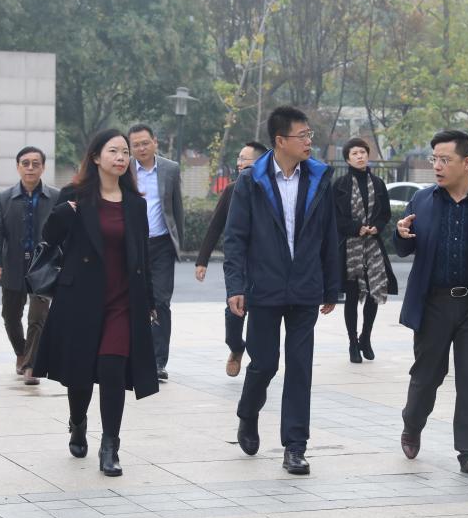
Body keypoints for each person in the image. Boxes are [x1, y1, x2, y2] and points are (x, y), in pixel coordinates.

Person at [33, 129, 159, 476]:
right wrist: (65, 213)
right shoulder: (75, 196)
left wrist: (149, 300)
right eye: (114, 151)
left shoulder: (135, 204)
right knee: (80, 377)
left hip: (122, 302)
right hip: (80, 300)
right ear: (96, 157)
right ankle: (77, 422)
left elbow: (142, 258)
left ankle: (110, 445)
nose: (121, 157)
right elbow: (49, 237)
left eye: (125, 152)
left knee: (112, 369)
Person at [224, 106, 339, 475]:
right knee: (265, 364)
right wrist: (236, 285)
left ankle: (295, 446)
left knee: (300, 367)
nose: (308, 142)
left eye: (309, 135)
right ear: (280, 141)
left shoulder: (319, 178)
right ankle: (248, 413)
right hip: (265, 287)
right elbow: (235, 238)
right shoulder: (251, 182)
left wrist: (332, 287)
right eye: (302, 136)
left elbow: (330, 235)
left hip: (306, 287)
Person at [394, 130, 468, 479]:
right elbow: (404, 247)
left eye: (445, 160)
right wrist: (400, 233)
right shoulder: (422, 201)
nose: (437, 166)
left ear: (467, 163)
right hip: (433, 302)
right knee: (427, 375)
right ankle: (412, 422)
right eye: (434, 159)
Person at [195, 141, 269, 376]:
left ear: (260, 162)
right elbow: (215, 227)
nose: (239, 163)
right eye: (238, 158)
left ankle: (258, 367)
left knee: (261, 316)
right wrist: (202, 260)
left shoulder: (271, 191)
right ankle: (236, 347)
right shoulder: (232, 190)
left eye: (244, 159)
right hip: (238, 264)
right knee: (234, 314)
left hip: (266, 266)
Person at [0, 146, 60, 385]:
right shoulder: (5, 197)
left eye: (35, 164)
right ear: (18, 167)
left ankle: (31, 365)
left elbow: (65, 231)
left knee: (38, 318)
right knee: (10, 316)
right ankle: (21, 352)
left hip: (43, 266)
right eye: (25, 163)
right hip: (12, 265)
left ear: (43, 167)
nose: (30, 168)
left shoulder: (55, 197)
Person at [332, 138, 397, 363]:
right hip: (350, 246)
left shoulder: (377, 183)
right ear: (347, 159)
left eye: (362, 152)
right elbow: (333, 216)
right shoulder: (340, 184)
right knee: (352, 295)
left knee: (374, 292)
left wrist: (376, 226)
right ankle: (353, 343)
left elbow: (385, 213)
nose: (360, 156)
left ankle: (365, 337)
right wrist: (355, 228)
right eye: (354, 153)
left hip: (372, 245)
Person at [128, 124, 184, 382]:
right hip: (132, 244)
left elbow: (176, 208)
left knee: (161, 302)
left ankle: (158, 361)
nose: (141, 148)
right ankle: (133, 355)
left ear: (155, 142)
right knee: (132, 301)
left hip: (161, 244)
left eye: (145, 143)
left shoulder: (170, 169)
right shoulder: (124, 169)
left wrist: (178, 243)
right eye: (136, 145)